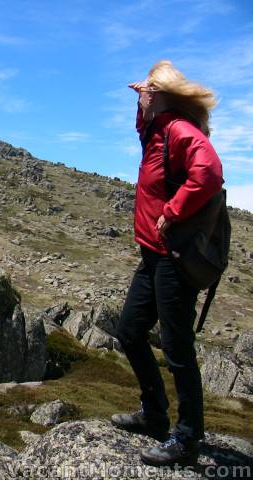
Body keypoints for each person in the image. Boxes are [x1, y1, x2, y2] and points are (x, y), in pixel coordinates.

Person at [110, 60, 224, 467]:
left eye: (148, 90)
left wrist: (173, 210)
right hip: (152, 254)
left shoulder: (178, 129)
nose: (142, 94)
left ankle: (187, 438)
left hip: (172, 258)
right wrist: (142, 104)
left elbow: (208, 173)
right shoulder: (158, 128)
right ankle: (155, 414)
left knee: (177, 349)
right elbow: (143, 132)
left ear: (162, 94)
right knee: (129, 331)